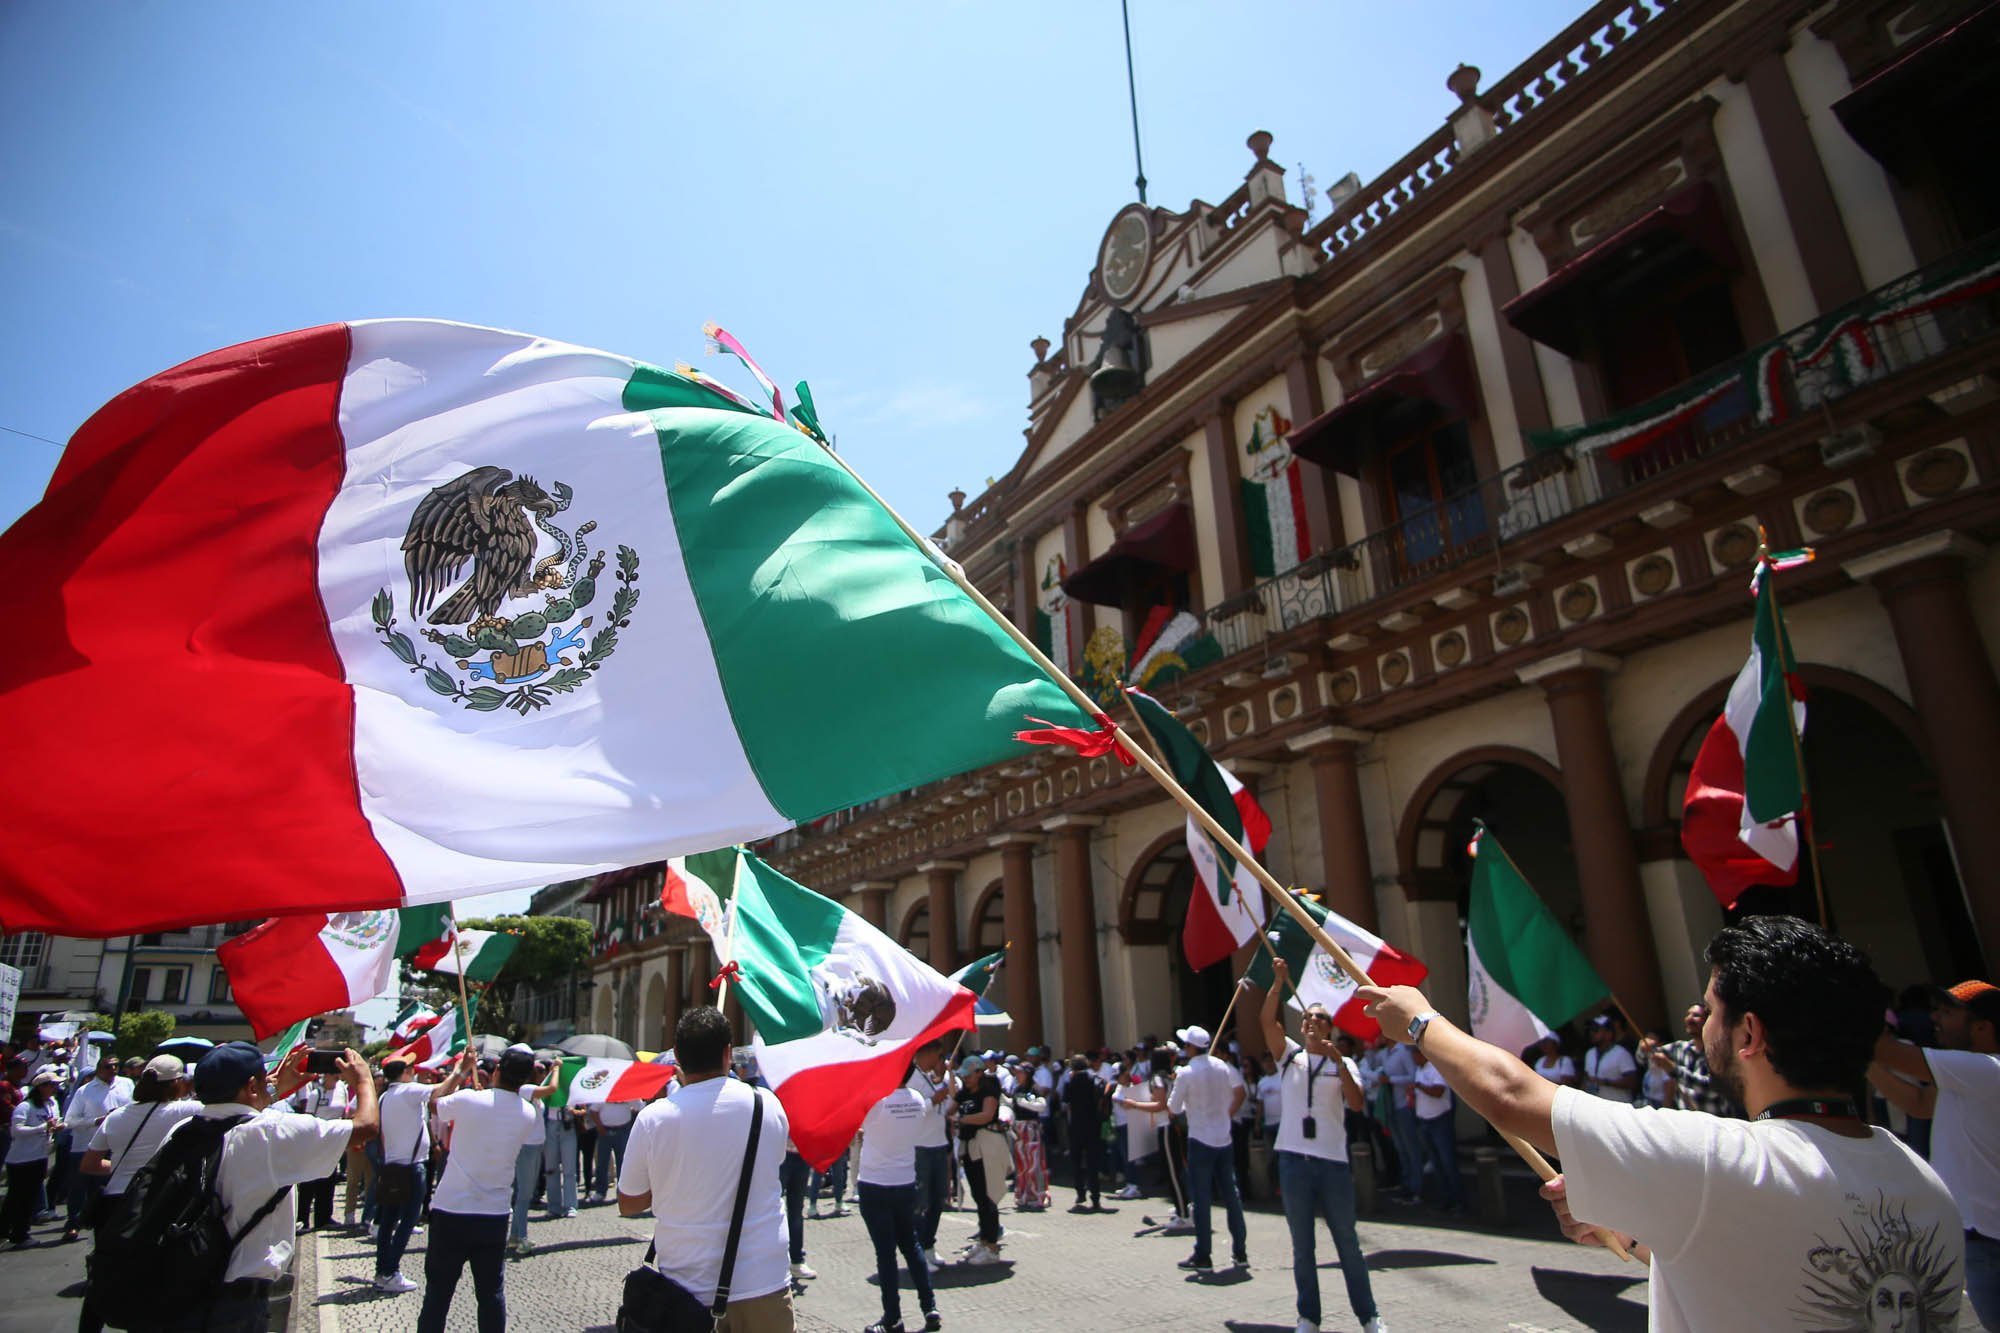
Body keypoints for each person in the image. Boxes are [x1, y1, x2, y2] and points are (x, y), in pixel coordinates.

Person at [1359, 914, 1965, 1333]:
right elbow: (1762, 1266)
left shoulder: (1718, 1159)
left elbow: (1510, 1094)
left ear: (1748, 1034)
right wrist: (1638, 1232)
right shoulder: (1925, 1185)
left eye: (1712, 1009)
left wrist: (1419, 1020)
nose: (1698, 1020)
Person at [146, 1041, 378, 1332]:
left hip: (178, 1284)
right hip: (236, 1300)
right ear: (252, 1086)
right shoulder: (273, 1131)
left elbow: (237, 1115)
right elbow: (366, 1127)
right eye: (262, 1078)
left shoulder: (180, 1131)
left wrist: (273, 1091)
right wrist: (364, 1080)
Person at [620, 1006, 793, 1331]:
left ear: (678, 1061)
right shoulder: (766, 1104)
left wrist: (673, 1181)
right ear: (728, 1054)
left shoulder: (654, 1118)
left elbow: (629, 1203)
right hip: (762, 1280)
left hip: (684, 1287)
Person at [1259, 965, 1384, 1333]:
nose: (1313, 1020)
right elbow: (1267, 1021)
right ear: (1301, 1025)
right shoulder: (1289, 1057)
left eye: (1321, 1017)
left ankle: (1369, 1315)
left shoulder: (1344, 1063)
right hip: (1294, 1160)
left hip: (1333, 1163)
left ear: (1331, 1026)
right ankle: (1308, 1317)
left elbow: (1357, 1103)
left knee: (1348, 1243)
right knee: (1303, 1247)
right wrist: (1279, 982)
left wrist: (1335, 1060)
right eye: (1309, 1016)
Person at [1869, 978, 1999, 1327]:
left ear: (1983, 1027)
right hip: (1979, 1236)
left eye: (1947, 1012)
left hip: (1990, 1241)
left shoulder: (1986, 1069)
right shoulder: (1966, 1075)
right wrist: (1865, 1060)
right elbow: (1919, 1104)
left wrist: (1854, 1010)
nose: (1934, 1018)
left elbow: (1887, 1052)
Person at [412, 1049, 538, 1333]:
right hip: (493, 1215)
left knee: (438, 1294)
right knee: (491, 1294)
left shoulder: (469, 1098)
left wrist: (459, 1071)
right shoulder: (527, 1113)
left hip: (452, 1211)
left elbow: (435, 1104)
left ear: (496, 1071)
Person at [77, 1056, 201, 1333]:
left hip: (112, 1200)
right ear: (177, 1084)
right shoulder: (183, 1111)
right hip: (152, 1200)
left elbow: (90, 1164)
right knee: (152, 1274)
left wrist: (125, 1166)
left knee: (105, 1272)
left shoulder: (117, 1116)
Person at [854, 1079, 942, 1333]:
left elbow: (856, 1118)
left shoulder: (876, 1101)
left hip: (875, 1182)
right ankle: (930, 1307)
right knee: (911, 1245)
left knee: (886, 1253)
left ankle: (893, 1317)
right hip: (904, 1181)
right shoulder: (915, 1098)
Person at [1165, 1023, 1247, 1272]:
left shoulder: (1186, 1073)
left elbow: (1173, 1108)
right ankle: (1240, 1251)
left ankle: (1204, 1254)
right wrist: (1226, 1113)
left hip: (1200, 1138)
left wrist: (1179, 1085)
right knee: (1231, 1195)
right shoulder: (1223, 1067)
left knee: (1201, 1198)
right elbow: (1239, 1090)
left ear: (1191, 1047)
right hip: (1223, 1137)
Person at [374, 1057, 438, 1293]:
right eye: (410, 1070)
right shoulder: (408, 1091)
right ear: (404, 1073)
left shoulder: (385, 1096)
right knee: (408, 1220)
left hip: (392, 1166)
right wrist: (461, 1072)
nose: (412, 1073)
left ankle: (383, 1270)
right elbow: (440, 1089)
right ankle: (390, 1271)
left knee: (388, 1221)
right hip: (411, 1167)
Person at [61, 1053, 131, 1243]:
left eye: (116, 1066)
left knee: (104, 1187)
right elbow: (70, 1121)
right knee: (79, 1186)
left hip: (115, 1143)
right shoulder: (85, 1091)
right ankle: (73, 1223)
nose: (113, 1070)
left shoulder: (126, 1085)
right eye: (108, 1066)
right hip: (87, 1144)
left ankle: (102, 1224)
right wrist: (96, 1121)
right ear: (99, 1070)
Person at [951, 1053, 1007, 1264]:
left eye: (968, 1075)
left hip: (986, 1147)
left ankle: (992, 1246)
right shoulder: (964, 1093)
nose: (965, 1079)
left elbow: (986, 1115)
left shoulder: (988, 1090)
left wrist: (962, 1119)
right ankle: (984, 1241)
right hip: (969, 1149)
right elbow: (951, 1106)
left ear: (979, 1073)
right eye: (963, 1076)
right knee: (979, 1197)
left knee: (988, 1196)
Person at [505, 1052, 560, 1256]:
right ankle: (521, 1238)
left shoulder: (529, 1091)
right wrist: (556, 1069)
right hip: (528, 1146)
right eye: (538, 1071)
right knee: (524, 1195)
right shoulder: (526, 1089)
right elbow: (552, 1088)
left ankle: (515, 1235)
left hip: (534, 1145)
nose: (541, 1074)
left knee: (524, 1193)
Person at [906, 1039, 953, 1264]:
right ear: (927, 1053)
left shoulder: (931, 1077)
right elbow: (912, 1109)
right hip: (920, 1147)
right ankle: (917, 1250)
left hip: (938, 1144)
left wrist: (945, 1094)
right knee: (920, 1201)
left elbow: (946, 1106)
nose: (939, 1060)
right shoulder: (911, 1077)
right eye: (937, 1055)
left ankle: (928, 1244)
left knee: (938, 1198)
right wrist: (933, 1100)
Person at [3, 1072, 61, 1248]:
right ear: (41, 1087)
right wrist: (43, 1127)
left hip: (39, 1157)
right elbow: (17, 1131)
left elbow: (52, 1124)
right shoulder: (25, 1106)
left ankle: (21, 1233)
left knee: (29, 1199)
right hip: (21, 1160)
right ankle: (9, 1233)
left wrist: (56, 1127)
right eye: (52, 1085)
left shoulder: (50, 1105)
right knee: (16, 1199)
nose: (55, 1089)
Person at [289, 1069, 348, 1235]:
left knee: (329, 1179)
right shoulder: (316, 1093)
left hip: (333, 1140)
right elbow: (308, 1117)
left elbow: (344, 1112)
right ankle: (303, 1219)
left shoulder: (342, 1090)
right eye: (333, 1075)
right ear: (326, 1076)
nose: (336, 1078)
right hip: (316, 1141)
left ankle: (324, 1218)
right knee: (309, 1182)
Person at [1409, 1047, 1464, 1212]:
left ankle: (1459, 1201)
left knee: (1448, 1163)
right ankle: (1446, 1199)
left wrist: (1419, 1086)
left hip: (1439, 1120)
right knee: (1436, 1164)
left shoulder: (1435, 1068)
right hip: (1425, 1120)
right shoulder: (1419, 1069)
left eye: (1415, 1055)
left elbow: (1438, 1091)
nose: (1413, 1059)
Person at [1059, 1053, 1108, 1212]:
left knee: (1076, 1161)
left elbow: (1065, 1101)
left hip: (1076, 1126)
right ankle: (1096, 1197)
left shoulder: (1071, 1082)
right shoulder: (1094, 1080)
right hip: (1093, 1125)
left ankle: (1080, 1191)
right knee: (1093, 1162)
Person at [585, 1098, 639, 1204]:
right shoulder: (604, 1093)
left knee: (623, 1164)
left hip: (623, 1130)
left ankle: (622, 1193)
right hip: (605, 1130)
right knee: (602, 1162)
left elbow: (639, 1107)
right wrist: (599, 1126)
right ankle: (600, 1192)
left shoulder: (628, 1092)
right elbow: (593, 1111)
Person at [1582, 1016, 1638, 1102]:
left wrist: (1605, 1082)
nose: (1592, 1033)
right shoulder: (1589, 1054)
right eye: (1591, 1030)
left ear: (1609, 1034)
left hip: (1619, 1105)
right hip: (1598, 1107)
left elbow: (1632, 1082)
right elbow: (1586, 1078)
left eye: (1596, 1030)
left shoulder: (1621, 1053)